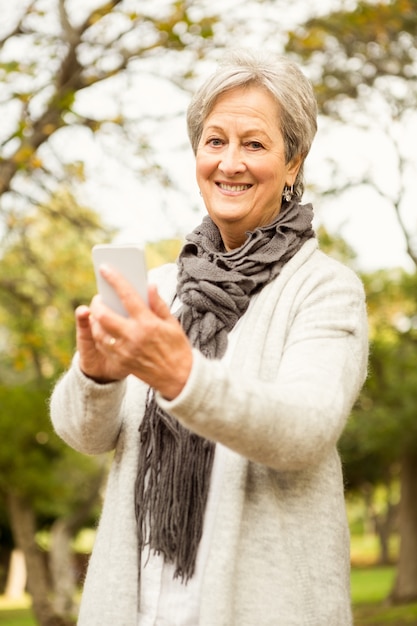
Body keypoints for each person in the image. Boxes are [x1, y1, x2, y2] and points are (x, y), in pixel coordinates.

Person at [50, 49, 368, 626]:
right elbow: (87, 436)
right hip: (141, 606)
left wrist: (182, 377)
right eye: (215, 141)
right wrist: (96, 376)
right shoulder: (159, 288)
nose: (230, 163)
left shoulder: (326, 289)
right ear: (196, 153)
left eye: (254, 144)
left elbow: (306, 428)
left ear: (293, 162)